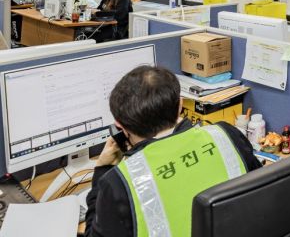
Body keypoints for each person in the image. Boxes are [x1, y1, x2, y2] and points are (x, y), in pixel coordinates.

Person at [85, 65, 262, 237]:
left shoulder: (118, 182)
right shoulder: (226, 135)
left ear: (119, 126)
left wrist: (102, 170)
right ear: (180, 105)